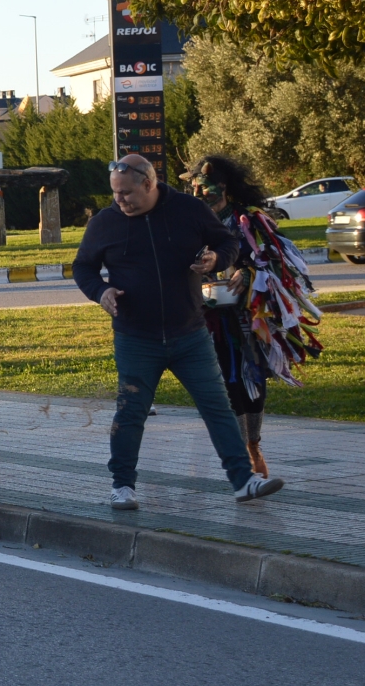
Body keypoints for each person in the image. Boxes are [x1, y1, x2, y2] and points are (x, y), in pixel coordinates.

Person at [72, 154, 285, 509]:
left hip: (190, 334)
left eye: (126, 193)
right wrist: (101, 291)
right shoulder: (104, 223)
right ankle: (122, 486)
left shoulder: (189, 209)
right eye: (114, 193)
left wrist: (217, 259)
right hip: (135, 337)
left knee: (217, 407)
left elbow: (228, 242)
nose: (118, 200)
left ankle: (243, 480)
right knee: (131, 411)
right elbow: (83, 267)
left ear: (149, 184)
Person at [182, 156, 322, 477]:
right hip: (206, 317)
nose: (200, 195)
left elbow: (277, 260)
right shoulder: (190, 224)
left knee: (251, 379)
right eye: (194, 189)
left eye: (205, 188)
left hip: (249, 315)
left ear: (224, 186)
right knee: (224, 381)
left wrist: (247, 274)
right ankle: (240, 451)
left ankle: (254, 445)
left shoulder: (248, 221)